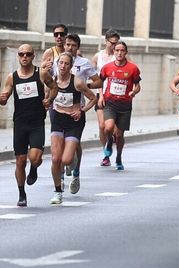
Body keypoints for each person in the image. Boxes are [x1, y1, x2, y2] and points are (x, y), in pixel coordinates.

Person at [44, 52, 98, 204]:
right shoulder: (52, 81)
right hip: (58, 120)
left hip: (74, 121)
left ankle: (72, 158)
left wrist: (81, 110)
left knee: (66, 160)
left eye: (66, 63)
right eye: (61, 63)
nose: (63, 66)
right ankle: (57, 192)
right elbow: (47, 98)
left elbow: (93, 98)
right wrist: (46, 102)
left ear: (71, 66)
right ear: (57, 64)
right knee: (55, 159)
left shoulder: (77, 82)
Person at [0, 43, 46, 208]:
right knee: (20, 161)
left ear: (33, 56)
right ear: (18, 57)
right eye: (21, 54)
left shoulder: (40, 73)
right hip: (20, 123)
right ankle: (22, 193)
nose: (24, 57)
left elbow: (53, 87)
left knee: (34, 157)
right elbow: (3, 96)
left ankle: (34, 168)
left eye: (28, 54)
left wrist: (48, 99)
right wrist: (3, 98)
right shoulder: (12, 77)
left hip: (36, 122)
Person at [95, 40, 142, 170]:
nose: (119, 53)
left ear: (126, 52)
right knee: (108, 127)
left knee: (120, 135)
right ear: (114, 52)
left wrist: (134, 91)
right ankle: (109, 141)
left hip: (125, 105)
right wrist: (101, 96)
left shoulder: (133, 68)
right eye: (117, 50)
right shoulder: (107, 67)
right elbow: (99, 82)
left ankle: (119, 157)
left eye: (122, 50)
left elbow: (138, 86)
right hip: (110, 103)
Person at [92, 28, 123, 165]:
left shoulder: (119, 57)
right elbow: (95, 77)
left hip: (115, 96)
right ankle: (106, 155)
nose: (115, 46)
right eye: (112, 43)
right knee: (101, 126)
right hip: (101, 94)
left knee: (114, 130)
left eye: (117, 43)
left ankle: (111, 141)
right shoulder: (97, 57)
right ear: (106, 41)